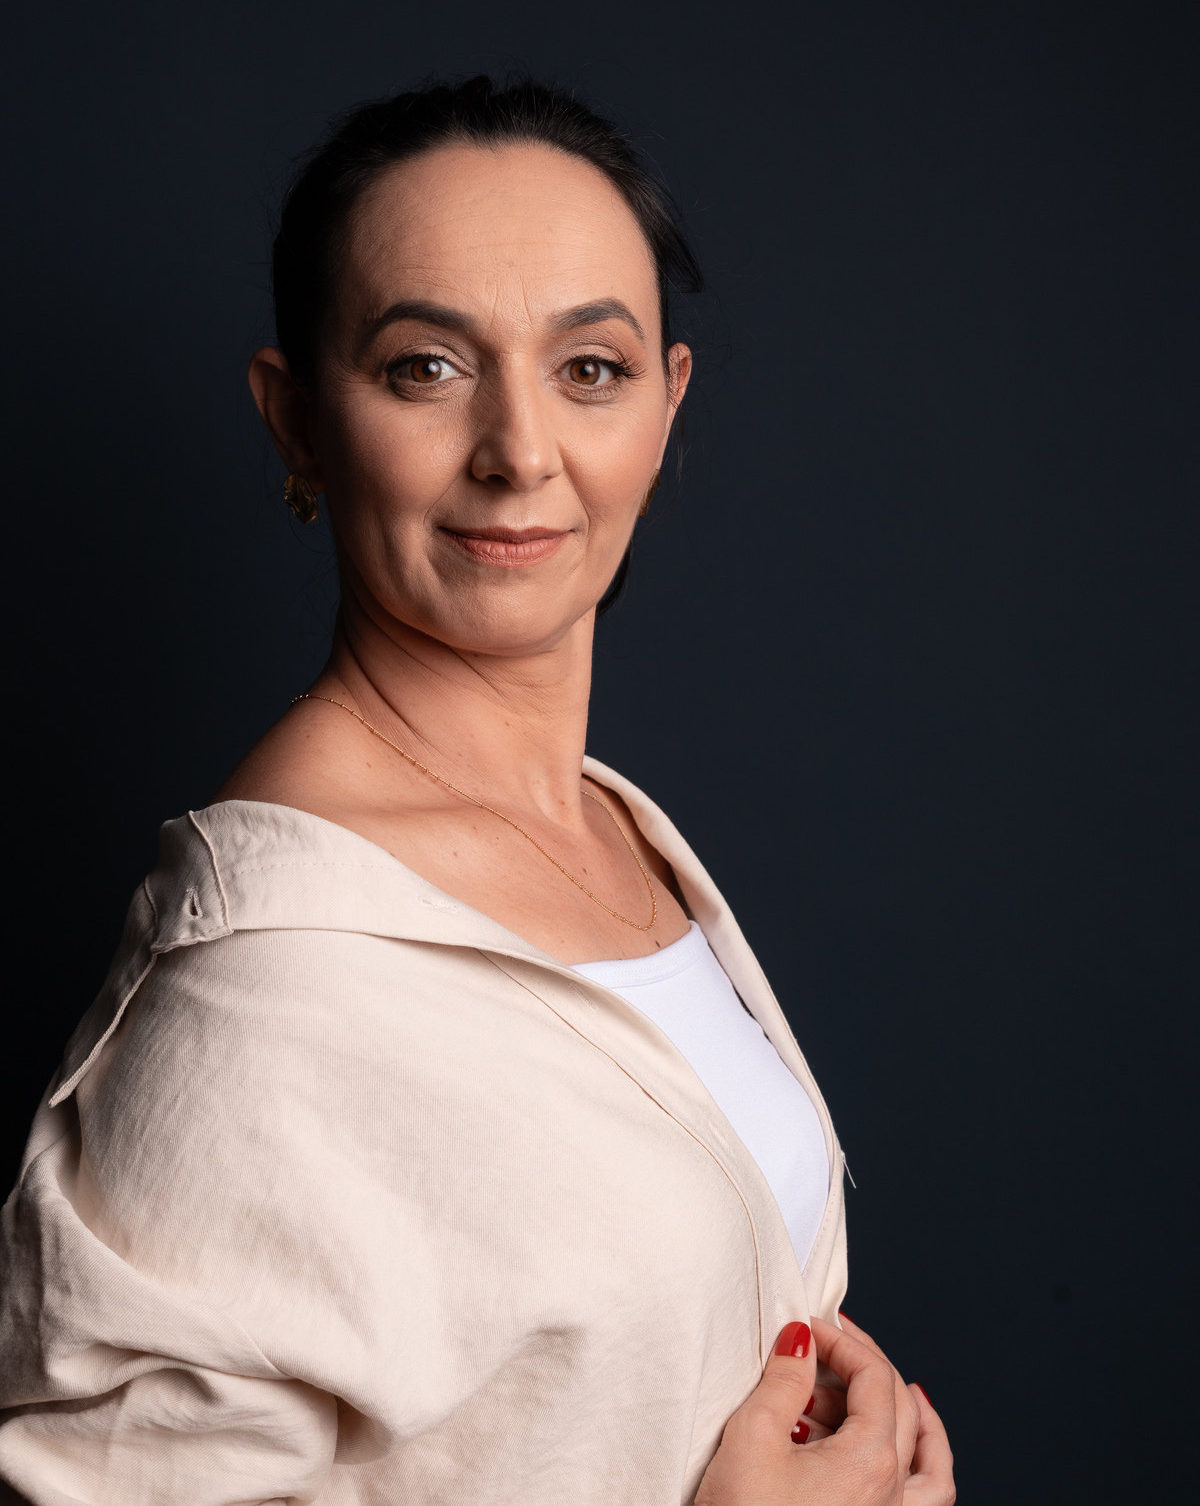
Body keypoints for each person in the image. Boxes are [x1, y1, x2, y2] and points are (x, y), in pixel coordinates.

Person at [0, 76, 954, 1504]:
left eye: (590, 369)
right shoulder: (268, 982)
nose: (520, 452)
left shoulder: (612, 828)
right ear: (297, 422)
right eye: (427, 367)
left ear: (668, 404)